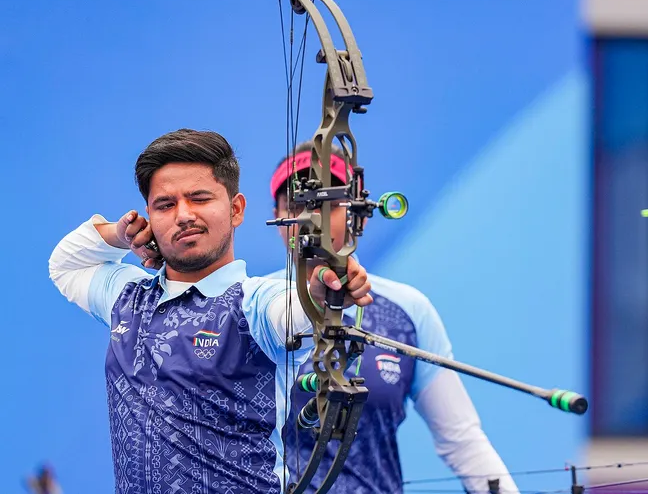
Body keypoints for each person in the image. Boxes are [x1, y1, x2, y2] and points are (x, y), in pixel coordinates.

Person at [47, 129, 373, 494]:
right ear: (149, 218)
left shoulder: (255, 301)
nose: (184, 215)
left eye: (199, 198)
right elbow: (64, 265)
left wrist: (322, 294)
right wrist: (119, 235)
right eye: (165, 205)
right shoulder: (128, 297)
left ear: (236, 209)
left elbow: (293, 314)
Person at [267, 142, 518, 494]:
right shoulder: (252, 306)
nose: (313, 217)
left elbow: (462, 440)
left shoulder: (408, 310)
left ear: (360, 214)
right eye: (297, 204)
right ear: (279, 219)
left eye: (329, 204)